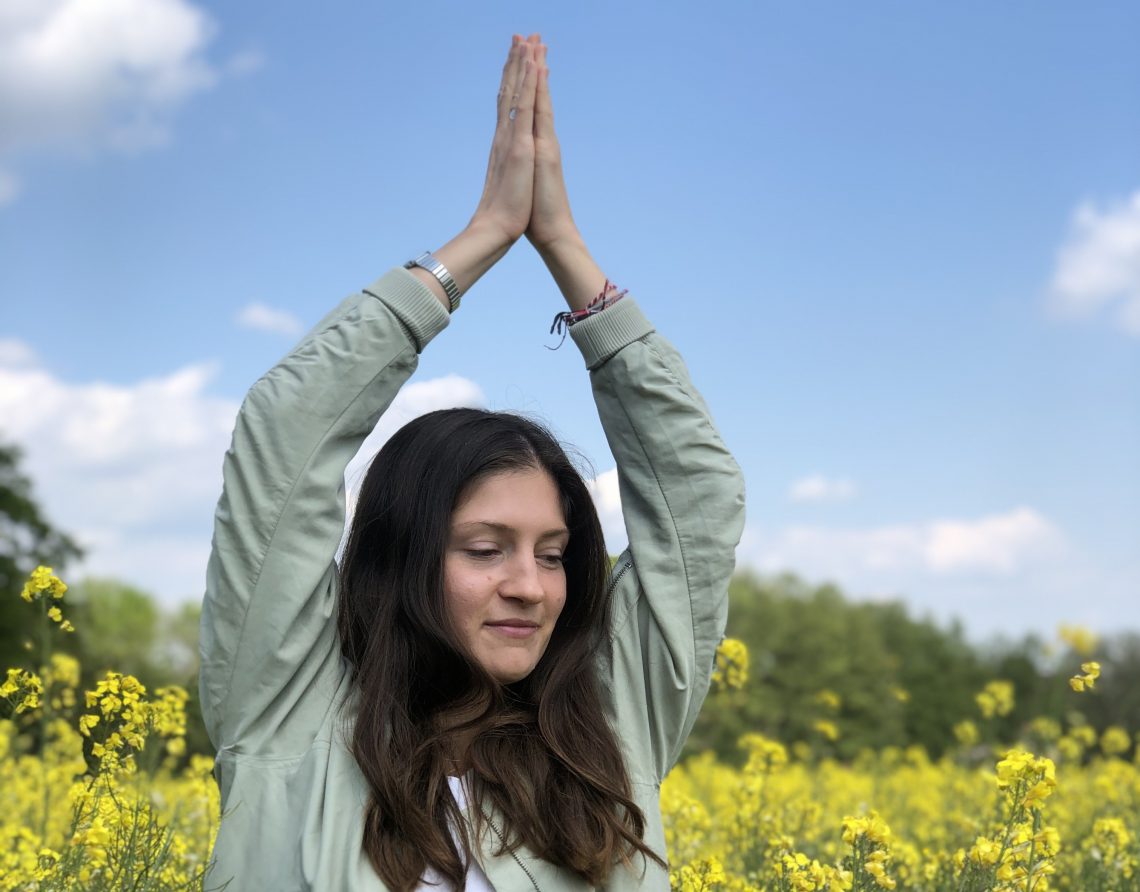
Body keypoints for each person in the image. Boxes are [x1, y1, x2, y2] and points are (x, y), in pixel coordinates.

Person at [198, 32, 745, 891]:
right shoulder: (284, 710)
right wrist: (483, 239)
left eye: (554, 554)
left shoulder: (611, 729)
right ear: (402, 556)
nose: (531, 585)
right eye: (485, 549)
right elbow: (285, 435)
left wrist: (565, 249)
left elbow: (698, 505)